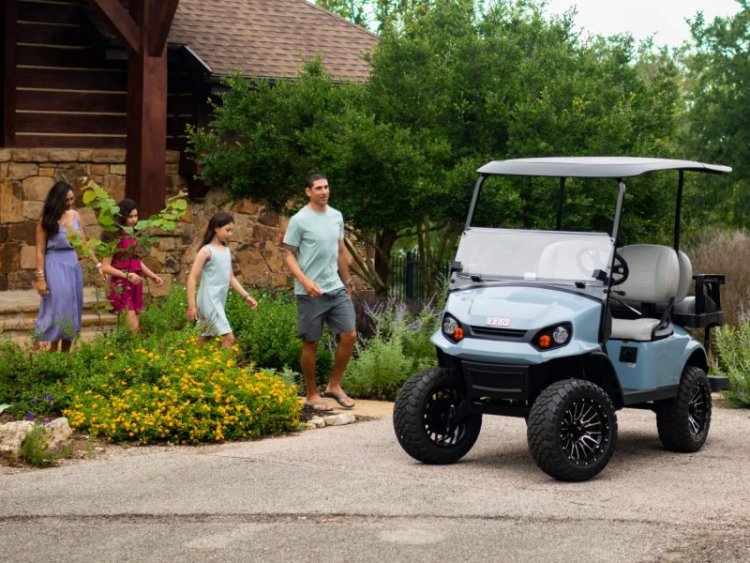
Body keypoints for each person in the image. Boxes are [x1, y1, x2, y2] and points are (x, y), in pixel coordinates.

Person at [282, 173, 357, 412]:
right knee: (311, 342)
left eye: (326, 187)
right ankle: (312, 393)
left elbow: (340, 250)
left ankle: (334, 386)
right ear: (308, 192)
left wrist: (347, 280)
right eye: (318, 188)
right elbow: (287, 254)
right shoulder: (299, 220)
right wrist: (304, 281)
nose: (324, 191)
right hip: (310, 292)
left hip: (335, 287)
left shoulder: (336, 216)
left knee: (350, 335)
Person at [34, 181, 105, 351]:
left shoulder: (76, 215)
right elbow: (39, 251)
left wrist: (97, 264)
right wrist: (40, 279)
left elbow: (83, 244)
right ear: (57, 200)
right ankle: (52, 348)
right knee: (60, 306)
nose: (70, 203)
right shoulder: (46, 221)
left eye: (72, 199)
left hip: (72, 264)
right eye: (66, 200)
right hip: (54, 265)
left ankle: (66, 353)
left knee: (73, 306)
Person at [186, 211, 258, 347]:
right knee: (229, 338)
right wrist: (191, 306)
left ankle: (193, 365)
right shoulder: (206, 251)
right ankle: (223, 368)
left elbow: (230, 277)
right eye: (227, 230)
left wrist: (246, 296)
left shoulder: (226, 250)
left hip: (218, 300)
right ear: (216, 228)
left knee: (204, 339)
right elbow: (192, 277)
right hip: (208, 300)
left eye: (232, 230)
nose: (230, 234)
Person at [101, 199, 163, 332]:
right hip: (121, 284)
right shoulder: (114, 238)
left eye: (136, 216)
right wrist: (126, 275)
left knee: (131, 331)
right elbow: (105, 267)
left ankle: (124, 351)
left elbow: (136, 262)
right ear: (122, 217)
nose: (134, 219)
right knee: (133, 329)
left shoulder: (133, 236)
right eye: (130, 216)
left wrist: (152, 276)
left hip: (135, 282)